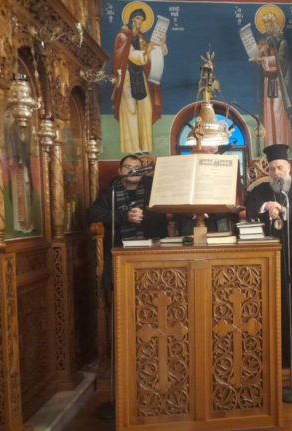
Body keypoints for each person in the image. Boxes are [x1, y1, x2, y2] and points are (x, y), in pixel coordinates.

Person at [245, 144, 292, 367]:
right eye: (272, 169)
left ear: (289, 168)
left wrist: (283, 210)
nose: (276, 173)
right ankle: (269, 358)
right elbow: (250, 207)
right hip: (265, 260)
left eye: (280, 168)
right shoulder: (261, 190)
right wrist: (268, 205)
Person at [88, 154, 168, 289]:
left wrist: (144, 215)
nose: (133, 170)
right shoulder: (111, 190)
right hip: (119, 248)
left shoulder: (152, 188)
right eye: (128, 167)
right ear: (120, 171)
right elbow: (93, 214)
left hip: (151, 248)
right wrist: (125, 217)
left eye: (137, 167)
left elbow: (164, 214)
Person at [112, 5, 167, 153]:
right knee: (130, 111)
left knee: (146, 108)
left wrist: (160, 44)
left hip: (140, 77)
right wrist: (146, 51)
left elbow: (151, 54)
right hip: (126, 78)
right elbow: (131, 55)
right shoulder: (123, 36)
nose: (139, 22)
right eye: (137, 18)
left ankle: (146, 147)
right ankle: (133, 149)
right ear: (131, 19)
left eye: (142, 20)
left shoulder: (141, 38)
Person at [253, 5, 292, 147]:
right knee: (269, 111)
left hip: (278, 82)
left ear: (275, 24)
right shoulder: (267, 42)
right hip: (268, 82)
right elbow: (264, 61)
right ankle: (270, 144)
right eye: (265, 24)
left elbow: (281, 60)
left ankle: (281, 144)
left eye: (269, 24)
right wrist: (261, 55)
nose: (267, 27)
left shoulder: (282, 42)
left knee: (277, 111)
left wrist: (264, 59)